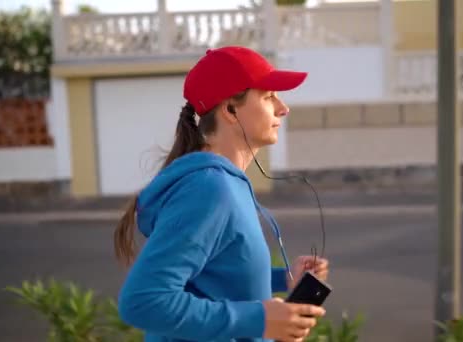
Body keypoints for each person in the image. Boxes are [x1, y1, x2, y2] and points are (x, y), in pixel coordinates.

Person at [113, 46, 330, 342]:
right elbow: (143, 301)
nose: (283, 107)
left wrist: (283, 279)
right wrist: (260, 320)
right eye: (268, 96)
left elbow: (212, 276)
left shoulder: (225, 184)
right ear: (230, 110)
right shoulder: (209, 189)